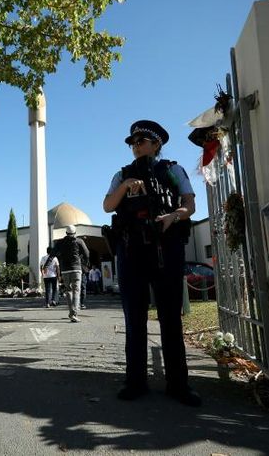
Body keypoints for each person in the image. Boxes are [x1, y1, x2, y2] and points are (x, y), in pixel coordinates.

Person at [103, 119, 201, 406]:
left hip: (166, 248)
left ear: (156, 143)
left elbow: (190, 205)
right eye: (132, 143)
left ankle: (178, 384)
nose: (135, 146)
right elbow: (108, 205)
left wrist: (174, 216)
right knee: (134, 318)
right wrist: (126, 187)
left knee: (170, 317)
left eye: (141, 141)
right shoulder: (122, 174)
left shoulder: (172, 170)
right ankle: (135, 382)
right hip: (132, 250)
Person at [53, 225, 89, 322]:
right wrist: (85, 263)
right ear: (75, 233)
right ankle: (74, 313)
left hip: (65, 270)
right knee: (76, 290)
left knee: (68, 290)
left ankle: (71, 312)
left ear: (66, 233)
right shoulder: (79, 241)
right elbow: (87, 253)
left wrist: (46, 265)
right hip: (77, 269)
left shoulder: (60, 242)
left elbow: (53, 253)